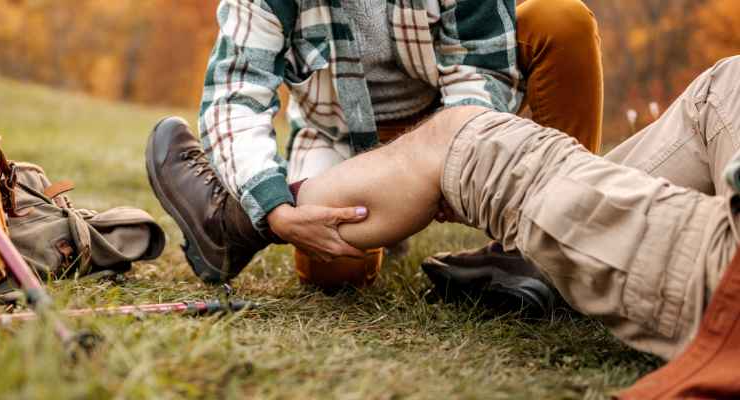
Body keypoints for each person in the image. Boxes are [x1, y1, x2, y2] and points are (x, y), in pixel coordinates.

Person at [150, 55, 740, 360]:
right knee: (728, 83)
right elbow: (237, 86)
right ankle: (539, 262)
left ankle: (232, 224)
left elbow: (481, 77)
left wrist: (450, 171)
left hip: (725, 265)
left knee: (458, 136)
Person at [150, 0, 604, 309]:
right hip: (340, 134)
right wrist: (271, 206)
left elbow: (480, 70)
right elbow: (235, 95)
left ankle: (547, 242)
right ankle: (231, 222)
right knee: (335, 273)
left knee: (560, 17)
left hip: (447, 113)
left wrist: (454, 162)